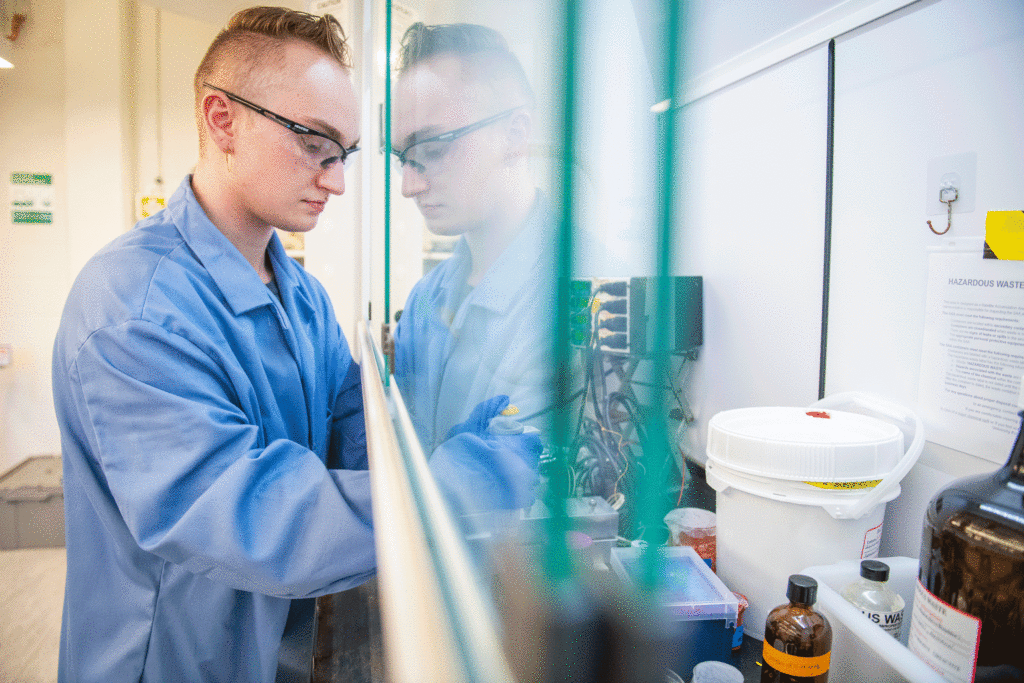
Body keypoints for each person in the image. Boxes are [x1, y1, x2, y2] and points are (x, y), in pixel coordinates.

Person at [51, 8, 374, 681]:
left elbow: (353, 436)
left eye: (344, 152)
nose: (336, 179)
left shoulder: (304, 298)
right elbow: (252, 517)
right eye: (314, 141)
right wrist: (453, 500)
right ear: (222, 119)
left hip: (274, 651)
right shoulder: (133, 309)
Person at [390, 23, 554, 515]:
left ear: (515, 135)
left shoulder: (577, 302)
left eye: (432, 152)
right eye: (402, 158)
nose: (409, 186)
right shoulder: (427, 298)